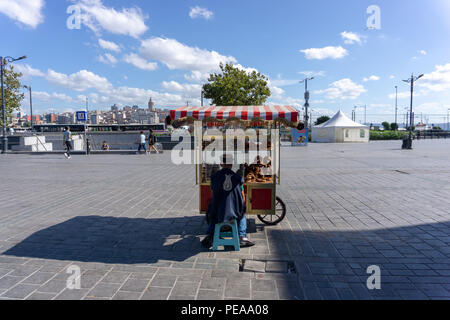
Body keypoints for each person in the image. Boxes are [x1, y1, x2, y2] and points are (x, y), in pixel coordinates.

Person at [202, 154, 255, 248]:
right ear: (231, 164)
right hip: (235, 212)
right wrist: (242, 205)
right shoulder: (238, 178)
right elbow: (242, 195)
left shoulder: (214, 177)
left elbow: (213, 192)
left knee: (212, 209)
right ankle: (242, 236)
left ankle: (211, 234)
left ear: (221, 164)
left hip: (218, 211)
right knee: (242, 212)